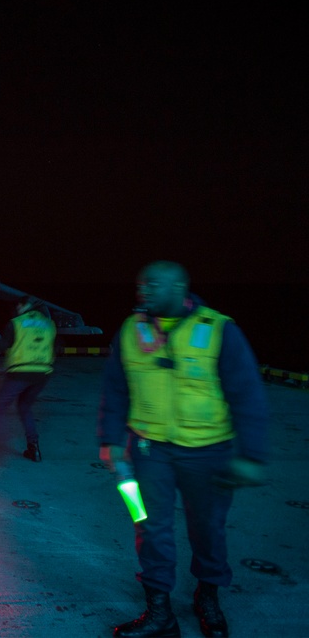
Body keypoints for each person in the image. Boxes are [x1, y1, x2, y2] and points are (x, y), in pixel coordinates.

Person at [98, 261, 268, 638]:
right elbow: (115, 389)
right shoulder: (131, 329)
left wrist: (251, 455)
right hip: (147, 450)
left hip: (209, 452)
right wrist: (110, 441)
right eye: (140, 284)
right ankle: (159, 613)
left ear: (179, 288)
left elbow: (248, 395)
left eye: (154, 284)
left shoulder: (218, 329)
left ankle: (207, 597)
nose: (143, 291)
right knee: (148, 526)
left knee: (208, 529)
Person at [0, 296, 57, 462]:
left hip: (20, 373)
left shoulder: (16, 323)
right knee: (25, 407)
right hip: (42, 374)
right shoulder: (49, 324)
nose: (17, 309)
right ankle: (34, 449)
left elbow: (1, 346)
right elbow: (55, 348)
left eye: (18, 305)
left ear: (23, 306)